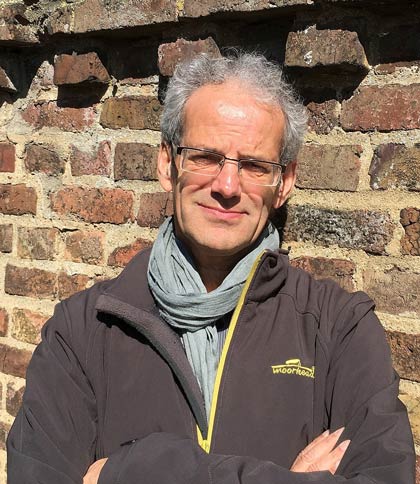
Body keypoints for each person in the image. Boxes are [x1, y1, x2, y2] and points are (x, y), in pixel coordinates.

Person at [7, 53, 415, 484]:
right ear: (167, 164)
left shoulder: (338, 329)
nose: (227, 186)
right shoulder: (81, 331)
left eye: (255, 166)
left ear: (284, 183)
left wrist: (135, 470)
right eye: (205, 157)